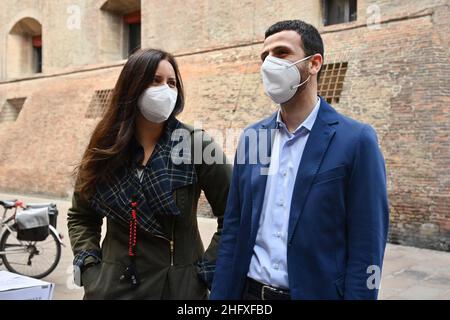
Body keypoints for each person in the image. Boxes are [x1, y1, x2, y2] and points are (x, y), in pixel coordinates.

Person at [210, 20, 389, 300]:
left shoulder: (356, 140)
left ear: (314, 63)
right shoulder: (252, 137)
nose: (269, 63)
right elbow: (234, 228)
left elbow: (367, 245)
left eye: (281, 53)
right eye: (264, 56)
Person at [68, 48, 232, 299]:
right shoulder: (106, 146)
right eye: (155, 80)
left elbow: (235, 213)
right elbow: (81, 216)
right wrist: (90, 267)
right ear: (132, 85)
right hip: (112, 288)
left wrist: (204, 271)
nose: (165, 89)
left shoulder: (195, 144)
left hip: (176, 289)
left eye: (172, 83)